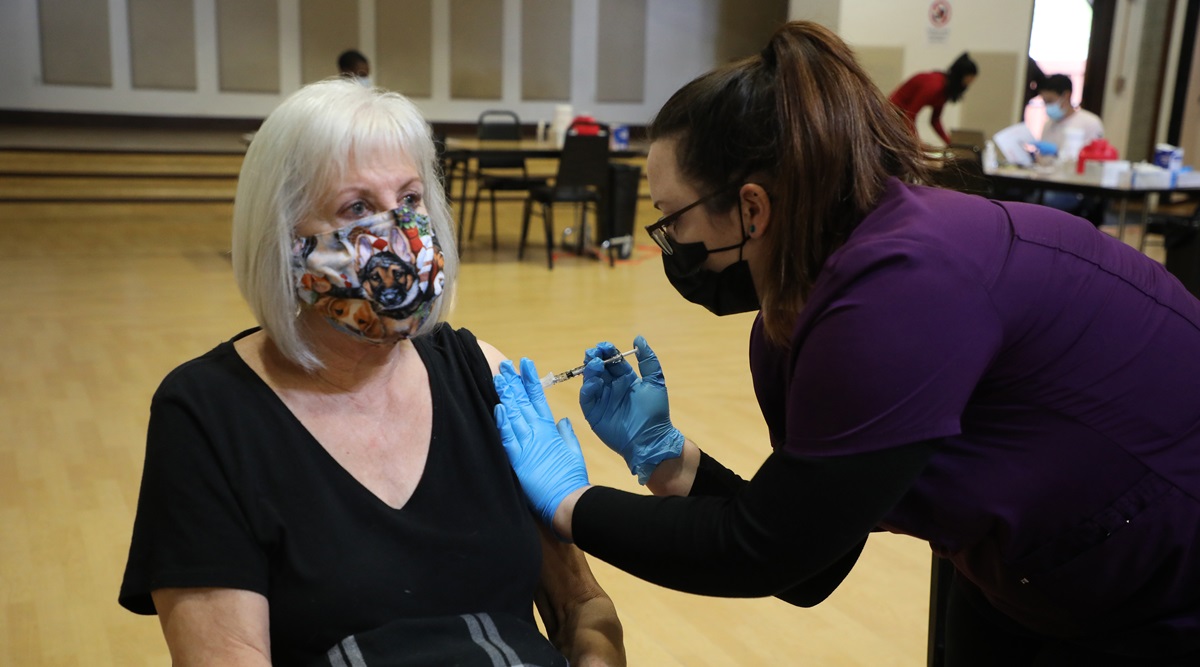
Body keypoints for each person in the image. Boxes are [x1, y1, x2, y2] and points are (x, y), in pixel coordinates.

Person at [493, 20, 1200, 666]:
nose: (668, 243)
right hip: (1029, 564)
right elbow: (813, 560)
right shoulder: (802, 311)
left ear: (751, 208)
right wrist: (668, 457)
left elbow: (764, 551)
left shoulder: (900, 286)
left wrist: (570, 502)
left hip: (1160, 565)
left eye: (670, 219)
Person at [118, 78, 624, 667]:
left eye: (409, 201)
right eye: (357, 208)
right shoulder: (207, 415)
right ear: (282, 239)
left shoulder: (481, 373)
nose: (401, 235)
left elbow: (583, 608)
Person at [889, 52, 978, 145]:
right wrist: (918, 143)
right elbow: (910, 116)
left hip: (902, 117)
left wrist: (950, 143)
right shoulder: (935, 87)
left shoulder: (944, 90)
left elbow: (935, 120)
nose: (968, 85)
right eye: (969, 80)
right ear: (961, 76)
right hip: (893, 114)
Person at [1037, 73, 1104, 151]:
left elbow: (1092, 157)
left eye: (1050, 101)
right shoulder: (1048, 125)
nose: (1048, 106)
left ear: (1066, 95)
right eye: (1045, 102)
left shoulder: (1090, 123)